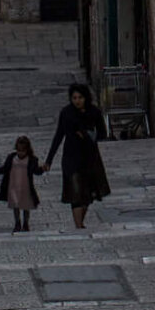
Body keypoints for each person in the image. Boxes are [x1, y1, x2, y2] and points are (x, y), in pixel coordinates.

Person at [44, 82, 110, 229]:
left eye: (80, 97)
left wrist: (88, 134)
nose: (77, 101)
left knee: (87, 192)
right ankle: (79, 225)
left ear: (85, 97)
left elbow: (102, 133)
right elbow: (58, 136)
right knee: (75, 191)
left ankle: (80, 223)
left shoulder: (94, 112)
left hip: (90, 157)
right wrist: (49, 160)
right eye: (74, 98)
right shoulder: (66, 113)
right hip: (71, 157)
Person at [0, 135, 45, 232]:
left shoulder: (31, 160)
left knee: (26, 205)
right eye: (19, 150)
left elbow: (36, 170)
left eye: (23, 151)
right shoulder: (11, 158)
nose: (20, 153)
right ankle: (17, 222)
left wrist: (42, 169)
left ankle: (25, 223)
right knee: (15, 205)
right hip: (13, 185)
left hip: (25, 186)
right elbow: (5, 169)